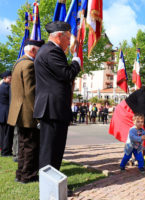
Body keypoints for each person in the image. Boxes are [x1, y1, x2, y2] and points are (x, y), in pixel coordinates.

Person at [33, 21, 81, 171]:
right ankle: (50, 186)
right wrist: (76, 61)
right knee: (51, 149)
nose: (69, 42)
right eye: (68, 38)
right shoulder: (52, 51)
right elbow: (66, 74)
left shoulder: (48, 50)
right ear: (59, 36)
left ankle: (53, 183)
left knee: (55, 148)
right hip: (52, 108)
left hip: (53, 107)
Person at [7, 39, 44, 183]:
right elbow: (31, 92)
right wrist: (38, 115)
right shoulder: (29, 65)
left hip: (18, 111)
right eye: (39, 51)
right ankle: (28, 175)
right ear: (34, 50)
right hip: (27, 112)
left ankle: (21, 174)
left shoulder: (18, 63)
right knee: (30, 146)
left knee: (23, 145)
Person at [109, 78, 145, 143]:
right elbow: (143, 114)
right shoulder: (142, 94)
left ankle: (140, 151)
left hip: (133, 112)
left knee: (141, 133)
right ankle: (134, 151)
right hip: (124, 111)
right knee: (138, 133)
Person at [0, 71, 14, 156]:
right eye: (9, 78)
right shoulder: (7, 87)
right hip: (6, 113)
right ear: (4, 78)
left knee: (3, 134)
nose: (11, 79)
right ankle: (6, 152)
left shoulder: (2, 86)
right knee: (7, 134)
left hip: (2, 113)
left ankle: (3, 149)